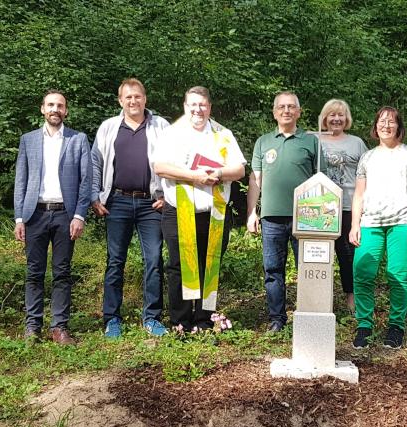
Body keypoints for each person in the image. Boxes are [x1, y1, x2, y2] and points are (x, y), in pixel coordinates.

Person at [153, 86, 246, 331]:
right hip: (178, 210)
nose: (198, 109)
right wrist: (194, 176)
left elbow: (239, 170)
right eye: (193, 105)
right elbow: (160, 167)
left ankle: (204, 320)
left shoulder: (222, 134)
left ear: (209, 107)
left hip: (214, 213)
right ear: (185, 107)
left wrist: (219, 173)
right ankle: (180, 322)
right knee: (178, 265)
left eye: (202, 105)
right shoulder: (172, 133)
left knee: (210, 263)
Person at [91, 78, 171, 338]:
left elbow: (176, 162)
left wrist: (168, 196)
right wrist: (94, 196)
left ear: (145, 99)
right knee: (115, 261)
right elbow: (96, 163)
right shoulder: (109, 127)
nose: (133, 101)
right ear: (120, 101)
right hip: (117, 202)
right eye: (128, 97)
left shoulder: (161, 126)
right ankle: (112, 318)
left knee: (154, 260)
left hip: (151, 203)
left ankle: (152, 317)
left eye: (137, 96)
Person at [14, 90, 91, 345]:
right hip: (34, 214)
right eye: (50, 105)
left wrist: (79, 215)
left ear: (65, 111)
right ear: (42, 109)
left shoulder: (78, 140)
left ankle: (59, 327)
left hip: (65, 215)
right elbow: (21, 181)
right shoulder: (28, 140)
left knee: (62, 272)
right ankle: (32, 327)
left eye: (59, 105)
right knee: (34, 272)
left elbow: (85, 181)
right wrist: (18, 219)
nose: (55, 109)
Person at [350, 107, 407, 349]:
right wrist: (354, 225)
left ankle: (396, 327)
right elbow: (359, 194)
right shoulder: (367, 157)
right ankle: (364, 325)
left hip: (402, 222)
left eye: (391, 122)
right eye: (382, 121)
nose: (386, 125)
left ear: (398, 126)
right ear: (375, 127)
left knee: (399, 275)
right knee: (362, 273)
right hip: (370, 222)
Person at [247, 91, 323, 332]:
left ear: (299, 112)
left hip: (307, 218)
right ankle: (277, 319)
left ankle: (309, 317)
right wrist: (251, 213)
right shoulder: (263, 142)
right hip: (271, 218)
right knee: (272, 271)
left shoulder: (311, 141)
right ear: (274, 112)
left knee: (308, 269)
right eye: (282, 107)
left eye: (291, 107)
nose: (286, 110)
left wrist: (321, 218)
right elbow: (255, 180)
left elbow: (321, 180)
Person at [317, 99, 368, 313]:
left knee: (348, 254)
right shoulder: (314, 140)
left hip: (348, 205)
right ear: (324, 118)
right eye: (332, 115)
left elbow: (367, 174)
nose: (336, 119)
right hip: (320, 207)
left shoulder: (356, 143)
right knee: (320, 253)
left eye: (341, 115)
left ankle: (351, 297)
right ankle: (319, 298)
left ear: (346, 119)